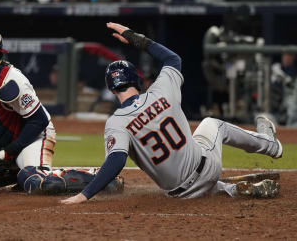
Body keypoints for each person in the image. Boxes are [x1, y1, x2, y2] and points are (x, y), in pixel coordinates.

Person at [61, 22, 283, 205]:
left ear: (111, 89)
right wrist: (136, 39)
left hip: (179, 194)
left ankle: (231, 190)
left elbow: (117, 160)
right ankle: (271, 146)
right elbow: (173, 59)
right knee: (212, 124)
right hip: (207, 169)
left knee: (189, 162)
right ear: (137, 80)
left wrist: (84, 195)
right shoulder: (161, 90)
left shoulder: (116, 123)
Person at [0, 28, 123, 194]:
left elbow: (39, 120)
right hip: (5, 143)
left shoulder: (10, 81)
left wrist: (5, 154)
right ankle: (16, 171)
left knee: (38, 182)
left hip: (35, 137)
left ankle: (100, 177)